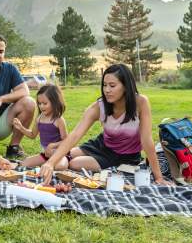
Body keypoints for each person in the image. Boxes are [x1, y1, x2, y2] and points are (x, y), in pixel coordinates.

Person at [40, 64, 173, 186]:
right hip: (101, 145)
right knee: (59, 153)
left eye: (112, 85)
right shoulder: (99, 106)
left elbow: (146, 140)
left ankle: (58, 162)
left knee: (74, 163)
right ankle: (48, 165)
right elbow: (75, 135)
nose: (107, 90)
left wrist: (159, 178)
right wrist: (51, 162)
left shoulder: (141, 103)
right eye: (104, 85)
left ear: (126, 86)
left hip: (126, 156)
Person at [12, 84, 69, 169]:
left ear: (54, 102)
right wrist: (21, 127)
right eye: (39, 103)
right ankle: (47, 163)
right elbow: (32, 135)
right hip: (46, 154)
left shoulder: (58, 120)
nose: (41, 106)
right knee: (25, 163)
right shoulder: (39, 119)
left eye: (45, 103)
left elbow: (66, 141)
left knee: (60, 167)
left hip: (59, 154)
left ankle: (58, 162)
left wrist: (52, 145)